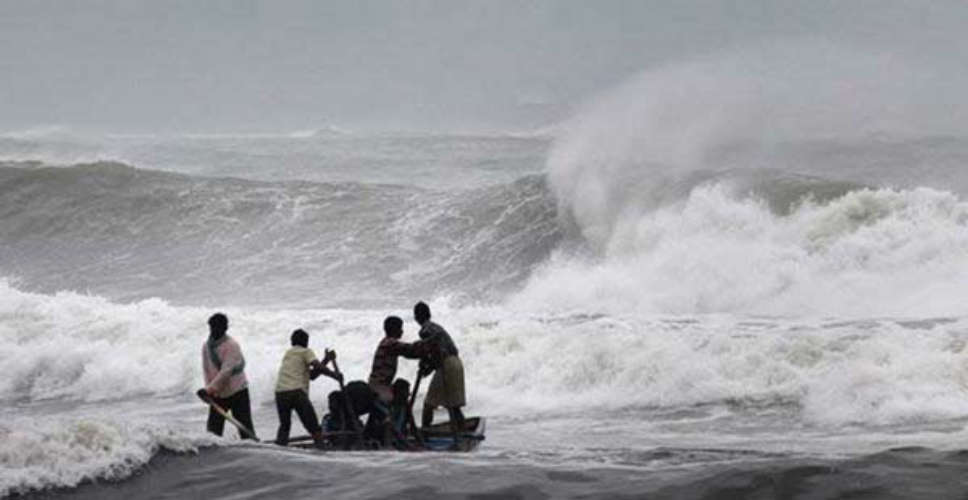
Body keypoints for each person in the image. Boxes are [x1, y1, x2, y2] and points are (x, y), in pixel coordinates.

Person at [274, 328, 341, 447]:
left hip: (280, 393)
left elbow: (313, 375)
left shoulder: (289, 354)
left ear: (292, 342)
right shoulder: (305, 351)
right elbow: (317, 367)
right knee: (314, 427)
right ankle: (322, 451)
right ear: (306, 342)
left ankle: (279, 450)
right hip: (296, 392)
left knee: (284, 426)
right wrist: (334, 375)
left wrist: (326, 360)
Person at [413, 301, 466, 447]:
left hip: (446, 365)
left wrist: (426, 367)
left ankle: (425, 434)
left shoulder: (425, 331)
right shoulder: (437, 327)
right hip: (456, 363)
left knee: (429, 404)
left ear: (416, 317)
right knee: (453, 405)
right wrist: (429, 367)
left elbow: (435, 352)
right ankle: (463, 433)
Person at [200, 313, 256, 439]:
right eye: (212, 327)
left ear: (225, 328)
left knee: (245, 428)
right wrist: (209, 390)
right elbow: (206, 370)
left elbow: (226, 371)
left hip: (237, 391)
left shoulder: (231, 345)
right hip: (218, 393)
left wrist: (209, 390)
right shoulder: (206, 346)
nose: (214, 331)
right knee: (213, 432)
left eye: (218, 328)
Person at [367, 316, 422, 403]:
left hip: (378, 384)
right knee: (398, 400)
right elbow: (410, 350)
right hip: (379, 387)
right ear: (394, 330)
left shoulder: (385, 342)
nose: (402, 331)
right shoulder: (390, 343)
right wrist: (426, 344)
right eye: (400, 328)